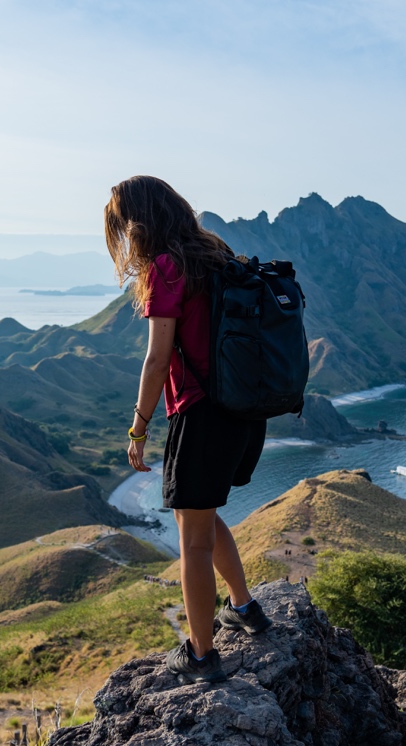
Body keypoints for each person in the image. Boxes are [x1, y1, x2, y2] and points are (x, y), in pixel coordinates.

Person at [104, 175, 272, 684]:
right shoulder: (217, 253)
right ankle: (243, 608)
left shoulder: (166, 268)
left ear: (136, 224)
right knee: (200, 518)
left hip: (201, 416)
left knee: (192, 540)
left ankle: (201, 655)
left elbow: (157, 360)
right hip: (245, 412)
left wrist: (138, 429)